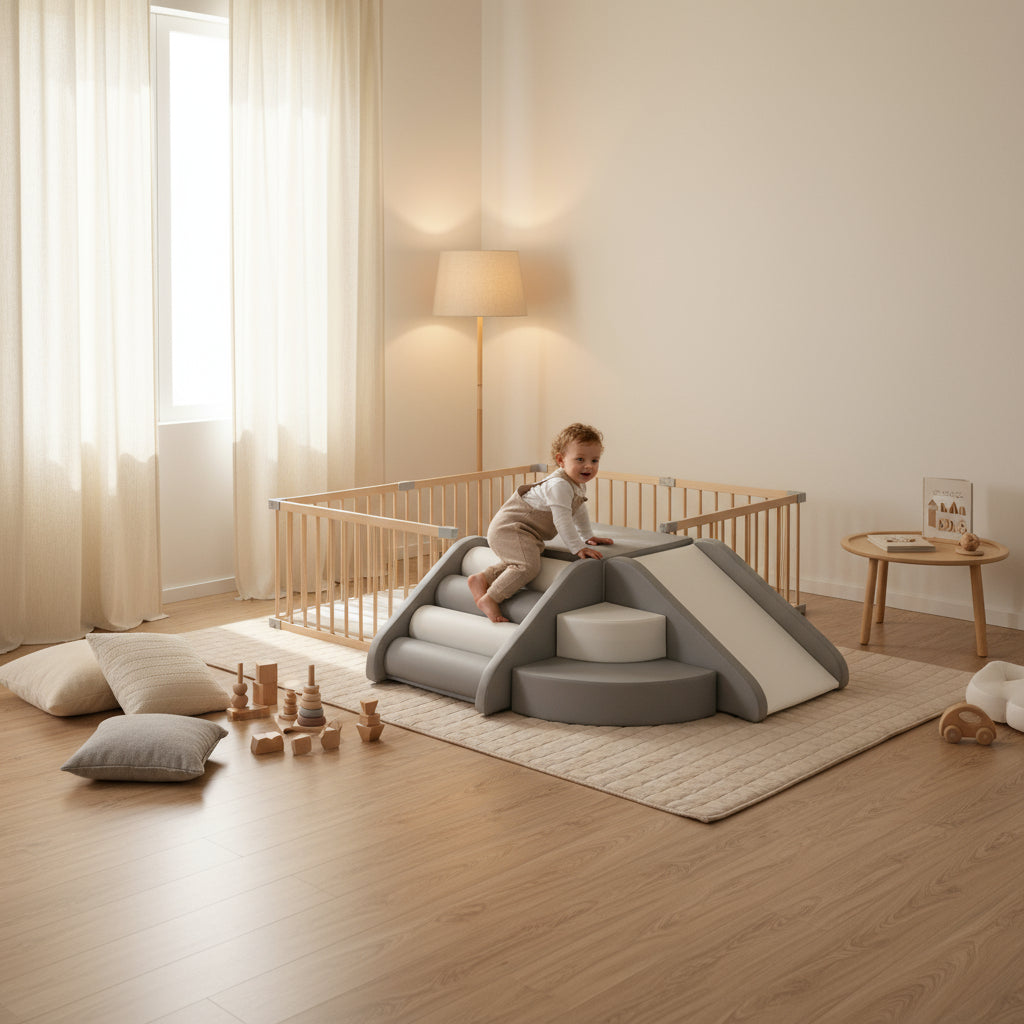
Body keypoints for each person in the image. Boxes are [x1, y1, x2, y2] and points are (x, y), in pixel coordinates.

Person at [467, 423, 613, 622]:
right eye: (580, 459)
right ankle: (491, 597)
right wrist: (578, 548)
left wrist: (587, 536)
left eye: (594, 460)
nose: (588, 466)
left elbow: (578, 510)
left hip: (526, 532)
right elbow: (562, 519)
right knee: (527, 566)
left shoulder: (577, 485)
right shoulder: (559, 485)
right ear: (561, 460)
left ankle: (481, 578)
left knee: (523, 560)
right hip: (510, 529)